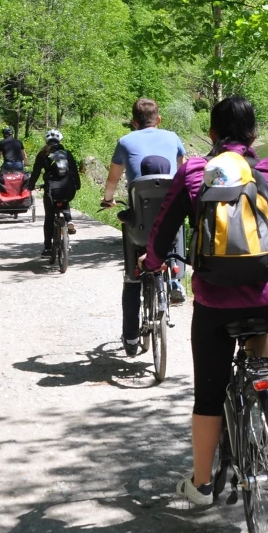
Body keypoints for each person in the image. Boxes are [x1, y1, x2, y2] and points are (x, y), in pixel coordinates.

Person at [143, 96, 268, 508]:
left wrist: (152, 261)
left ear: (211, 133)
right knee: (261, 331)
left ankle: (202, 484)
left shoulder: (195, 170)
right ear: (254, 134)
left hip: (215, 304)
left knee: (209, 397)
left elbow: (164, 229)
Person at [100, 97, 187, 356]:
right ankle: (176, 280)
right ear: (158, 119)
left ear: (133, 122)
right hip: (169, 226)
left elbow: (113, 178)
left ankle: (129, 338)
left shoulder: (125, 141)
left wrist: (107, 200)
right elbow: (182, 176)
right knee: (177, 219)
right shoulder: (173, 137)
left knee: (131, 278)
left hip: (139, 225)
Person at [27, 130, 81, 256]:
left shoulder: (42, 154)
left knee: (49, 217)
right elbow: (74, 172)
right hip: (68, 188)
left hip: (52, 190)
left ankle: (47, 247)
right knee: (64, 199)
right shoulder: (67, 153)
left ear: (47, 141)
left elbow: (35, 173)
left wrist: (30, 186)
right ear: (60, 141)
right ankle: (69, 219)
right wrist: (77, 186)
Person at [0, 127, 26, 192]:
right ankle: (21, 192)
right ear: (12, 134)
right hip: (19, 164)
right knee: (21, 178)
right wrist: (26, 162)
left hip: (8, 164)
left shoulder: (1, 143)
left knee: (1, 176)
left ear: (3, 134)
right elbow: (24, 155)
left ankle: (4, 191)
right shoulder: (19, 142)